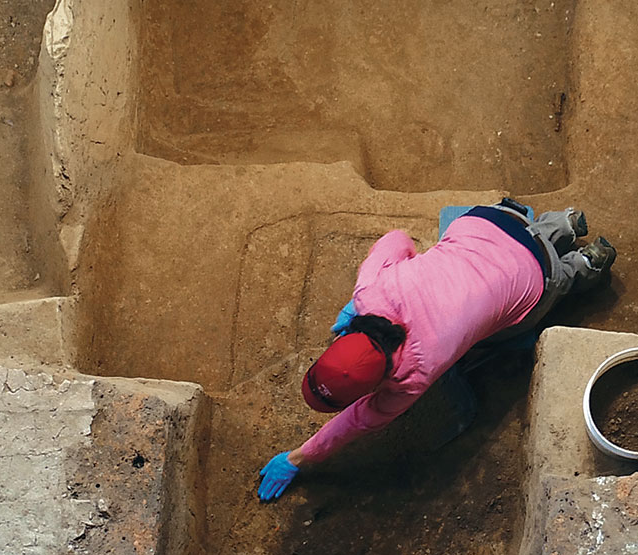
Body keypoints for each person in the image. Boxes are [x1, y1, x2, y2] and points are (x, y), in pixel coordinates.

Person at [256, 201, 616, 501]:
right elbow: (398, 239)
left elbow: (353, 423)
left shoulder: (412, 379)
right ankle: (565, 223)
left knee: (526, 310)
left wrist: (297, 459)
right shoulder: (371, 290)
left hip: (537, 277)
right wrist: (360, 301)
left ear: (372, 388)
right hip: (490, 220)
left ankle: (586, 263)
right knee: (495, 239)